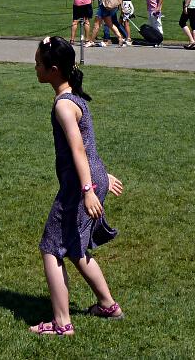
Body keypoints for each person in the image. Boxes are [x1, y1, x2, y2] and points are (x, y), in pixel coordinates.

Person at [30, 36, 125, 337]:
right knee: (74, 246)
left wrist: (87, 189)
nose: (35, 68)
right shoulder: (76, 97)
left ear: (53, 69)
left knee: (50, 248)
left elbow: (78, 149)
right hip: (93, 178)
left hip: (79, 187)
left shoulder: (63, 106)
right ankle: (108, 305)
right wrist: (101, 177)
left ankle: (61, 323)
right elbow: (90, 145)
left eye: (38, 64)